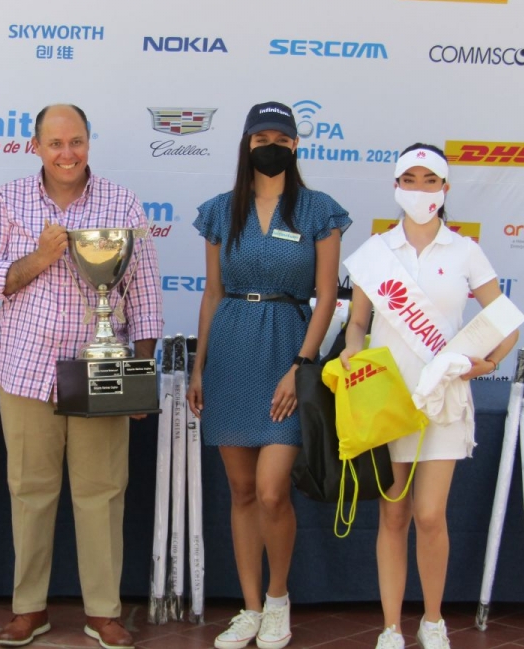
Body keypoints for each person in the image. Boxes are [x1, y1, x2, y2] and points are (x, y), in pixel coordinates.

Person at [0, 103, 163, 649]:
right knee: (29, 490)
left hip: (100, 368)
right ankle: (28, 607)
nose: (67, 154)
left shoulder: (120, 202)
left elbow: (145, 293)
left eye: (76, 142)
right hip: (27, 369)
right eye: (55, 144)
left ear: (88, 143)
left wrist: (138, 373)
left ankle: (103, 611)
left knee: (102, 492)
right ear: (36, 147)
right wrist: (40, 256)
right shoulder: (9, 199)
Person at [339, 144, 519, 649]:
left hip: (443, 401)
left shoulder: (465, 251)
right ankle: (392, 626)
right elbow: (357, 324)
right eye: (410, 179)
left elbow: (503, 318)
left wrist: (491, 361)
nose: (419, 189)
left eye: (430, 180)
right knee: (393, 513)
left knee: (430, 515)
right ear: (397, 186)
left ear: (445, 189)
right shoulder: (377, 253)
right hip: (388, 400)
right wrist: (354, 353)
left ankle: (434, 620)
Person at [186, 102, 350, 649]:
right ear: (246, 143)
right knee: (240, 490)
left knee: (273, 490)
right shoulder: (218, 211)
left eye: (282, 136)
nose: (271, 145)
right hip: (231, 348)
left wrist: (301, 367)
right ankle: (250, 607)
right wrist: (199, 366)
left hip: (288, 345)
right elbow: (211, 294)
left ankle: (279, 599)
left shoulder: (319, 210)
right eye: (262, 137)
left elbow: (327, 296)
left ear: (297, 145)